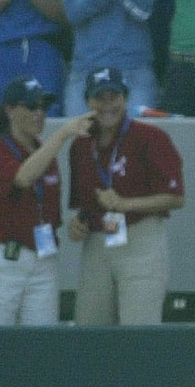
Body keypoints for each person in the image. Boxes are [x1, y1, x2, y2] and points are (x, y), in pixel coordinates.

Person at [65, 70, 185, 325]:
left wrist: (125, 204)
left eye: (114, 96)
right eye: (100, 98)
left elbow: (176, 197)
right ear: (88, 101)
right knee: (89, 330)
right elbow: (85, 204)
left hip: (140, 239)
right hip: (98, 242)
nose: (107, 105)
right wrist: (78, 224)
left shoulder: (151, 137)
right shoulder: (81, 145)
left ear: (126, 98)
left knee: (138, 330)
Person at [0, 78, 90, 325]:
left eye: (43, 106)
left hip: (42, 257)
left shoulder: (44, 153)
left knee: (42, 345)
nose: (39, 113)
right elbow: (24, 177)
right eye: (30, 106)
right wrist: (63, 134)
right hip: (4, 256)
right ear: (10, 110)